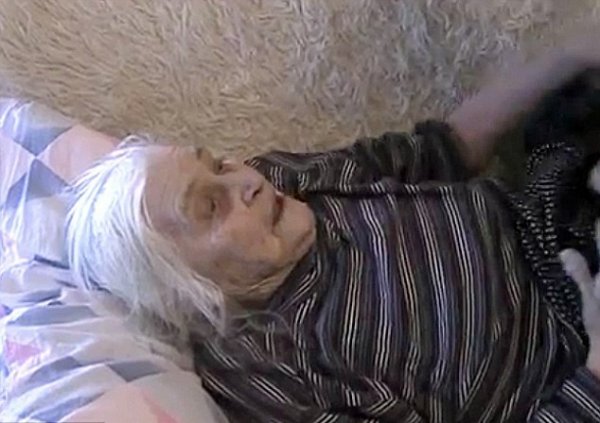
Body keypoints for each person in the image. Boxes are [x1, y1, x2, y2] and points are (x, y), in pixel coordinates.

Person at [66, 34, 600, 422]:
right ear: (188, 294)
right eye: (210, 206)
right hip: (571, 370)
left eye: (220, 165)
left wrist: (569, 52)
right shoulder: (265, 371)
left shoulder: (283, 182)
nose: (245, 182)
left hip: (555, 200)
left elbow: (437, 150)